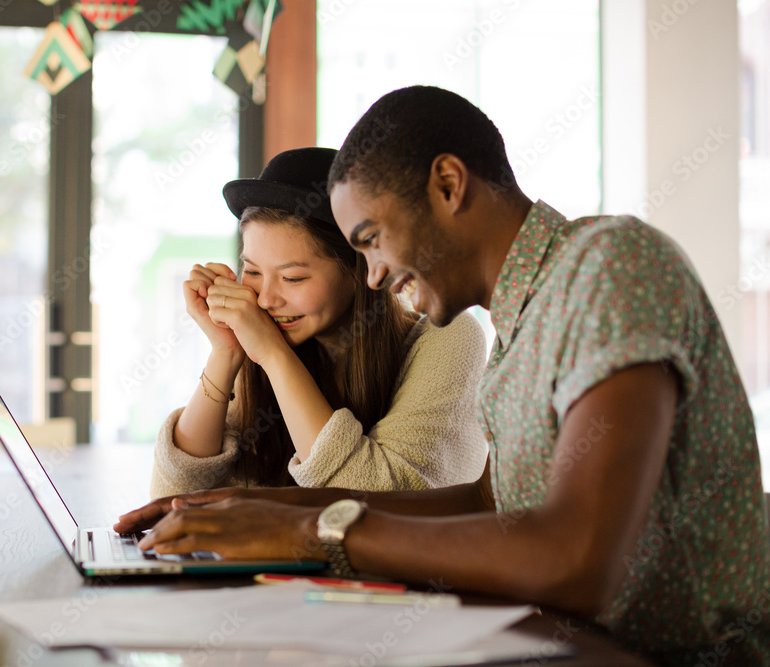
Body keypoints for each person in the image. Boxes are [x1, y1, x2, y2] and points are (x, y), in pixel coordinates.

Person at [117, 88, 770, 665]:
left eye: (371, 239)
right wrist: (258, 506)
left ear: (449, 185)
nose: (371, 275)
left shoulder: (609, 266)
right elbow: (483, 502)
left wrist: (309, 532)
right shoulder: (519, 317)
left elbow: (578, 557)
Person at [149, 147, 489, 499]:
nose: (265, 300)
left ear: (359, 272)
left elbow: (383, 501)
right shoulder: (262, 341)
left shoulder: (448, 336)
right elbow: (170, 498)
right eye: (251, 271)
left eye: (293, 278)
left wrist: (275, 356)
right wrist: (225, 353)